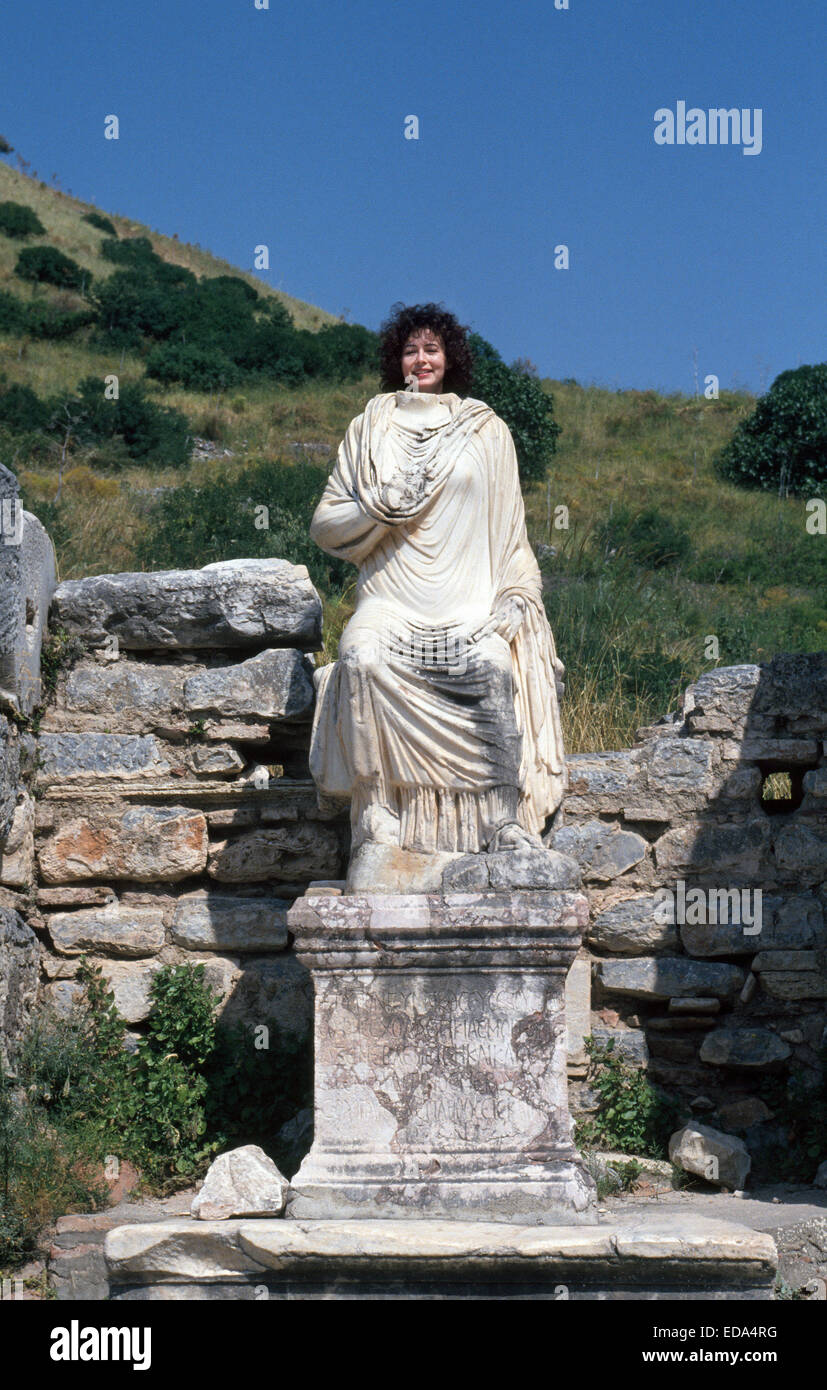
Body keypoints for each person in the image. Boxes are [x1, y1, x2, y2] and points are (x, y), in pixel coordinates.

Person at [308, 301, 566, 856]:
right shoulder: (369, 426)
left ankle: (502, 820)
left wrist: (517, 596)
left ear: (449, 358)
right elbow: (325, 527)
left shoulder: (486, 430)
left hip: (463, 608)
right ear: (395, 359)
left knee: (494, 668)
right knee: (359, 660)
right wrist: (379, 509)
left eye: (431, 348)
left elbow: (512, 535)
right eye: (409, 349)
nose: (420, 359)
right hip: (390, 604)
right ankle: (378, 813)